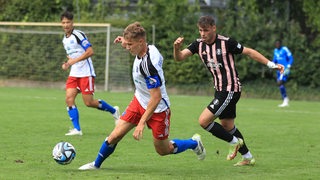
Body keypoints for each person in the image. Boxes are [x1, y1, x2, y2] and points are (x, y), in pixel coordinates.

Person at [78, 22, 206, 170]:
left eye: (130, 44)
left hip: (158, 109)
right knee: (115, 136)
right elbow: (130, 42)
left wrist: (141, 123)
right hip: (139, 101)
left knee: (163, 150)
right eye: (127, 44)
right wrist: (124, 40)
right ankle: (96, 165)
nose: (127, 47)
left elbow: (156, 97)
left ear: (141, 42)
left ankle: (194, 143)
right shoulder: (145, 47)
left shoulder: (148, 65)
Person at [173, 15, 284, 166]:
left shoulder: (226, 43)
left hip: (231, 89)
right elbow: (179, 58)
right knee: (227, 126)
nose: (202, 34)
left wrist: (271, 64)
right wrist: (176, 48)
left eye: (205, 30)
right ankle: (247, 157)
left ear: (213, 28)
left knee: (204, 121)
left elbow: (249, 52)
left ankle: (234, 142)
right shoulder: (198, 45)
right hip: (219, 90)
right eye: (200, 30)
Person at [60, 11, 120, 136]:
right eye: (64, 22)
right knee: (69, 99)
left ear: (72, 23)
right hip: (74, 73)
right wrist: (67, 63)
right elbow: (72, 56)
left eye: (68, 22)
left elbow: (90, 51)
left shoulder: (78, 35)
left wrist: (73, 61)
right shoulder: (64, 40)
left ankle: (114, 110)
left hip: (86, 73)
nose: (66, 25)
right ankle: (77, 129)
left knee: (88, 103)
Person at [272, 39, 294, 107]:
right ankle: (285, 99)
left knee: (279, 82)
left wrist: (288, 66)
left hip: (284, 69)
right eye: (276, 44)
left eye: (278, 43)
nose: (277, 45)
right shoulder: (275, 51)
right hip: (278, 70)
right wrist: (271, 65)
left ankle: (285, 100)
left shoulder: (285, 49)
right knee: (280, 84)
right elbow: (275, 60)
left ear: (281, 44)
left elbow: (291, 58)